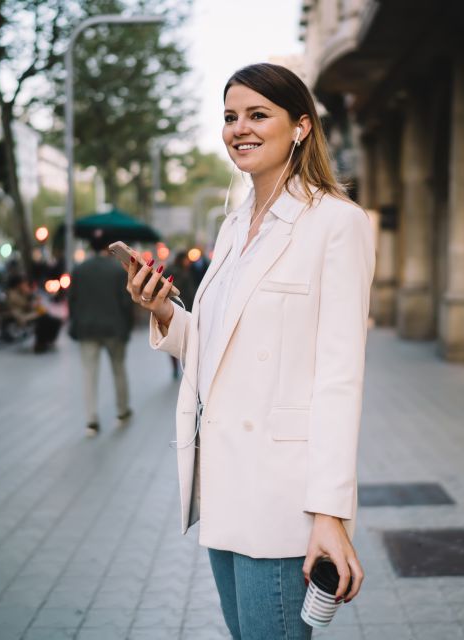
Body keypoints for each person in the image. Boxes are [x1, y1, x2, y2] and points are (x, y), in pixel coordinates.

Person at [125, 63, 375, 639]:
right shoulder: (235, 225)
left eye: (258, 115)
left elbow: (340, 380)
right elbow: (219, 350)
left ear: (301, 127)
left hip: (284, 497)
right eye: (231, 117)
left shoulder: (336, 223)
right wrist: (164, 311)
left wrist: (331, 515)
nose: (240, 128)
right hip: (223, 486)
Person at [68, 234, 134, 437]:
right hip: (114, 328)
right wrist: (127, 327)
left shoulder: (79, 270)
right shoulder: (117, 270)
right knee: (119, 369)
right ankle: (122, 412)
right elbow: (126, 302)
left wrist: (76, 323)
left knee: (89, 374)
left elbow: (72, 301)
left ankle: (91, 420)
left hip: (87, 328)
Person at [4, 274, 61, 352]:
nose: (25, 285)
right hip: (21, 316)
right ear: (18, 285)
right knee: (43, 319)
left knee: (53, 320)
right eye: (23, 283)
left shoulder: (21, 292)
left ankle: (48, 340)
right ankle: (40, 343)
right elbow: (25, 305)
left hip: (28, 314)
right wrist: (28, 294)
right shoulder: (12, 294)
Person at [166, 251, 196, 379]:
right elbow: (190, 293)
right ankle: (185, 365)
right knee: (184, 339)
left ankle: (175, 367)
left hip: (169, 309)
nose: (188, 262)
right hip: (183, 309)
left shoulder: (168, 271)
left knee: (173, 338)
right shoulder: (184, 273)